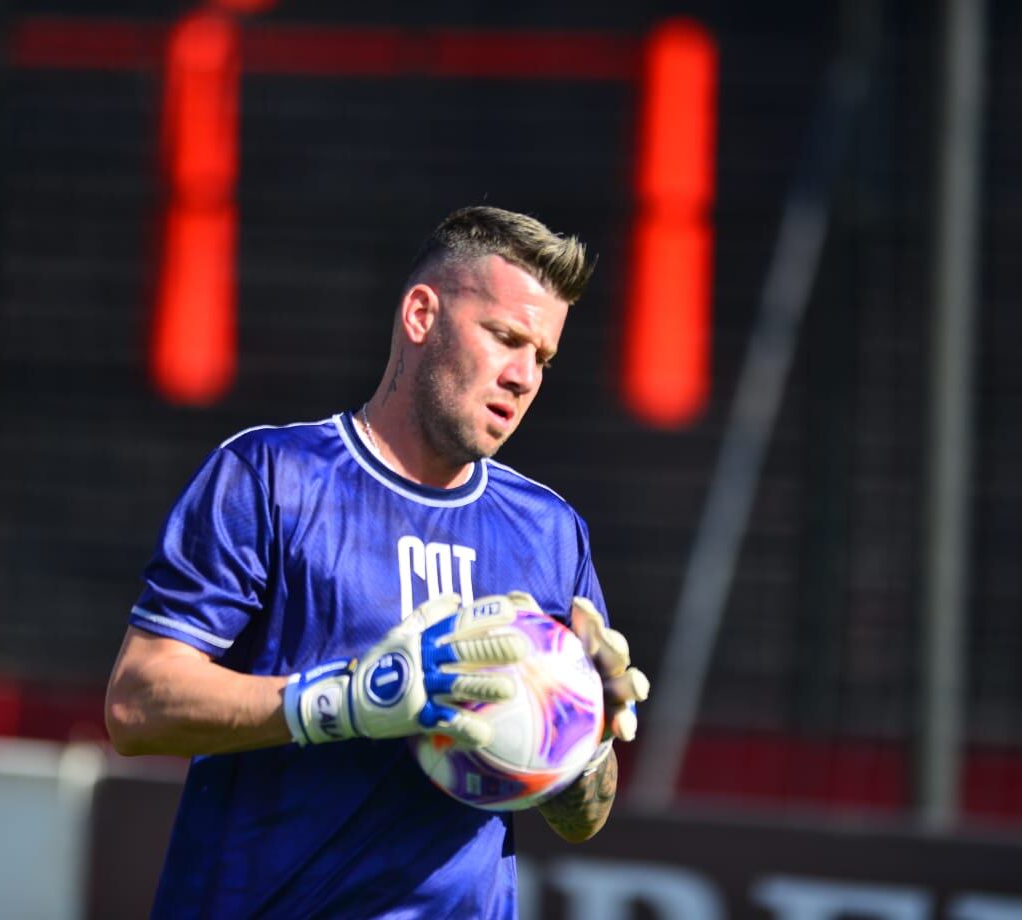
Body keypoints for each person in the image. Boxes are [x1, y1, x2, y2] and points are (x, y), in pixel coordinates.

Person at [105, 206, 650, 918]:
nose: (524, 377)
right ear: (422, 315)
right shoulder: (272, 477)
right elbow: (137, 704)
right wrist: (348, 701)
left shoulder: (551, 532)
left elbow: (582, 818)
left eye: (542, 357)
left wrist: (587, 735)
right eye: (506, 338)